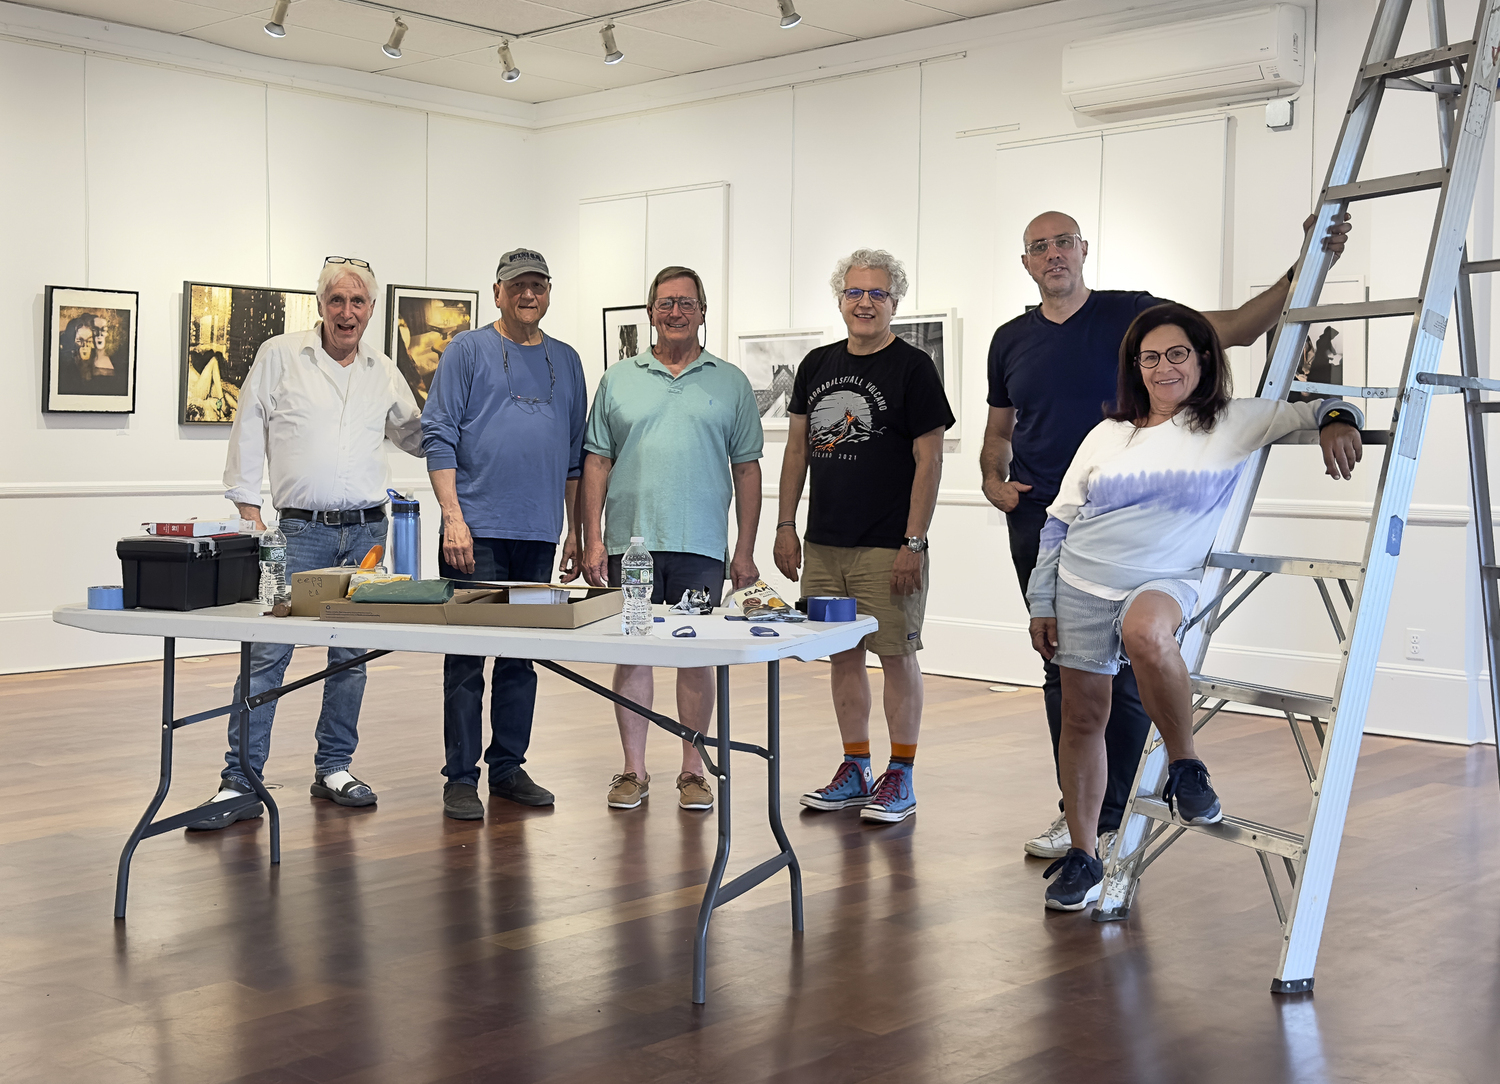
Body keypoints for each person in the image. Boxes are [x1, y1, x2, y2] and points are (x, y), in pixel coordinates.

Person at [982, 209, 1352, 861]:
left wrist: (1305, 267)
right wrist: (992, 477)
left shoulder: (1134, 317)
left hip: (1151, 544)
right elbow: (998, 430)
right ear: (1026, 262)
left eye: (1063, 242)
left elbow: (1238, 327)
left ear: (1083, 249)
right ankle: (1081, 821)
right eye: (1039, 247)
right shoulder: (1010, 339)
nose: (1053, 255)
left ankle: (1117, 815)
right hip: (1050, 525)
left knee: (1135, 663)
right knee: (1066, 682)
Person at [1026, 302, 1363, 910]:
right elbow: (1058, 521)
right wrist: (1041, 601)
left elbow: (1318, 407)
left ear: (1204, 359)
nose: (1163, 368)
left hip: (1165, 577)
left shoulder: (1232, 422)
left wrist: (1339, 420)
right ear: (1135, 367)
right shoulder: (1108, 433)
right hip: (1078, 582)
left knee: (1147, 632)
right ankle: (1083, 853)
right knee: (1080, 719)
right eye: (1149, 358)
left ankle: (1186, 766)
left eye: (1177, 354)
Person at [193, 256, 423, 830]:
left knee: (352, 657)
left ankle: (335, 767)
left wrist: (471, 425)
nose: (347, 313)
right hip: (297, 533)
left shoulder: (382, 370)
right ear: (320, 304)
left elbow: (416, 435)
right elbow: (247, 426)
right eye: (337, 301)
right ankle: (239, 778)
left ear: (372, 309)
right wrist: (248, 509)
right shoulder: (280, 356)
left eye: (359, 303)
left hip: (369, 533)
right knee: (268, 654)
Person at [775, 249, 954, 825]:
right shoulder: (817, 364)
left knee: (897, 656)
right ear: (840, 299)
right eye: (855, 293)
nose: (864, 303)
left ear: (894, 303)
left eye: (877, 294)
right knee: (843, 656)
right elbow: (797, 449)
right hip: (825, 543)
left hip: (888, 544)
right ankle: (855, 766)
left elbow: (929, 463)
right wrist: (785, 526)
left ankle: (900, 774)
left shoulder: (914, 368)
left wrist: (914, 541)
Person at [580, 265, 763, 813]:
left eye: (686, 302)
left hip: (701, 544)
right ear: (650, 312)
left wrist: (745, 549)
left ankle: (692, 769)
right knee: (633, 655)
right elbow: (596, 463)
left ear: (703, 311)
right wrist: (592, 540)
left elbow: (747, 470)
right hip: (629, 547)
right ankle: (633, 769)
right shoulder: (619, 378)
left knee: (695, 657)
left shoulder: (729, 382)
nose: (675, 312)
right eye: (665, 303)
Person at [423, 248, 587, 821]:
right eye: (517, 285)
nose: (528, 294)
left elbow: (574, 458)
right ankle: (461, 777)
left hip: (538, 534)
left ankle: (509, 768)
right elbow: (438, 436)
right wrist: (453, 518)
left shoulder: (566, 360)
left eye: (538, 284)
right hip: (475, 531)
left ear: (548, 292)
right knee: (467, 658)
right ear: (497, 292)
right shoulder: (466, 350)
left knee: (522, 656)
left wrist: (577, 531)